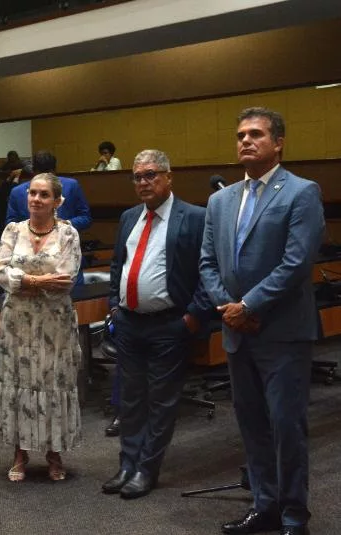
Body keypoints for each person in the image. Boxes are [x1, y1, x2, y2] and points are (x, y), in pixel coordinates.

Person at [201, 107, 324, 535]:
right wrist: (228, 309)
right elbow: (207, 264)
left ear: (279, 142)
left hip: (282, 332)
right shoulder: (220, 200)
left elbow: (296, 263)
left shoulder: (301, 192)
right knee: (251, 425)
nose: (245, 141)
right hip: (237, 332)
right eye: (240, 135)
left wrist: (248, 306)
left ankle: (294, 516)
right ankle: (265, 505)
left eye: (255, 134)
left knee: (287, 427)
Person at [101, 150, 213, 499]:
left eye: (151, 175)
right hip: (130, 323)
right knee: (131, 401)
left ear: (168, 177)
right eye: (137, 177)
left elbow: (208, 270)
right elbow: (118, 264)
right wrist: (114, 306)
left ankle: (147, 469)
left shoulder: (194, 217)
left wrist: (193, 316)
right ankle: (127, 464)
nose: (143, 182)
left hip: (170, 324)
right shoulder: (129, 217)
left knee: (161, 402)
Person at [0, 173, 81, 482]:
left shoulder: (68, 234)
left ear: (57, 201)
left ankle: (53, 453)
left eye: (44, 195)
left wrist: (24, 280)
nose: (36, 199)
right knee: (18, 382)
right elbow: (1, 274)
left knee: (52, 382)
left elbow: (65, 280)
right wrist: (37, 280)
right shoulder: (12, 231)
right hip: (17, 323)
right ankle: (20, 452)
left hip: (54, 325)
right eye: (32, 193)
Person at [6, 150, 91, 284]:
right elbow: (11, 225)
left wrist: (66, 224)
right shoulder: (17, 193)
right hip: (28, 268)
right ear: (33, 172)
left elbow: (85, 217)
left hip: (65, 262)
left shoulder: (71, 186)